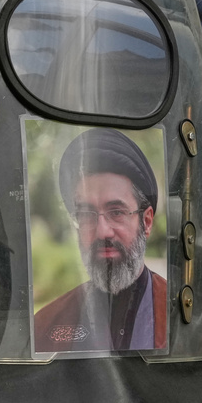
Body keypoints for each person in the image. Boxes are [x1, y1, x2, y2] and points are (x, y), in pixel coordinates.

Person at [34, 128, 167, 353]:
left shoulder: (182, 320)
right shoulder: (45, 326)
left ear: (146, 221)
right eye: (87, 215)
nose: (102, 231)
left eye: (116, 212)